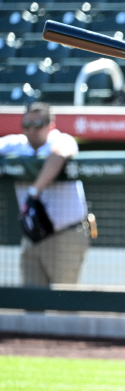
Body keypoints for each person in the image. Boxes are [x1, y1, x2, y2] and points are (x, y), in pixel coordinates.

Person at [0, 102, 90, 286]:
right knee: (31, 300)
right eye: (27, 125)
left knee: (63, 301)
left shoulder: (61, 140)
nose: (32, 130)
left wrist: (34, 191)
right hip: (33, 235)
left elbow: (60, 153)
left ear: (51, 126)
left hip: (66, 234)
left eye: (38, 125)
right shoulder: (16, 144)